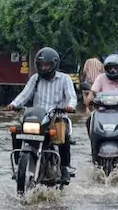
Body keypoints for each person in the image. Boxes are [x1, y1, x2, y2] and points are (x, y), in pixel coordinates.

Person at [5, 47, 78, 184]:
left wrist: (70, 106)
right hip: (37, 118)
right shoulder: (35, 78)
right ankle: (18, 164)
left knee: (63, 135)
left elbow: (71, 97)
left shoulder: (64, 79)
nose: (43, 68)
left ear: (54, 64)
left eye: (47, 65)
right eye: (41, 65)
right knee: (16, 131)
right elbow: (24, 95)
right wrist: (13, 104)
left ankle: (64, 168)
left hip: (57, 117)